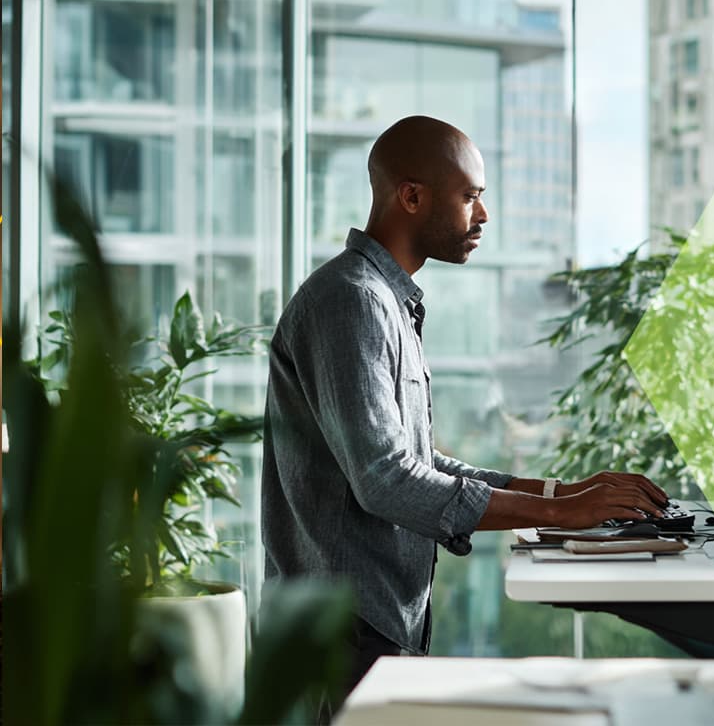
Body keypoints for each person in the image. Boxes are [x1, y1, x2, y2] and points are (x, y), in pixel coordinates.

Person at [261, 115, 669, 718]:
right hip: (340, 632)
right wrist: (559, 513)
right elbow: (386, 480)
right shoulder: (352, 301)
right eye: (470, 196)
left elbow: (418, 463)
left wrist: (563, 491)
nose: (483, 216)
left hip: (370, 624)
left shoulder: (384, 302)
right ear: (412, 195)